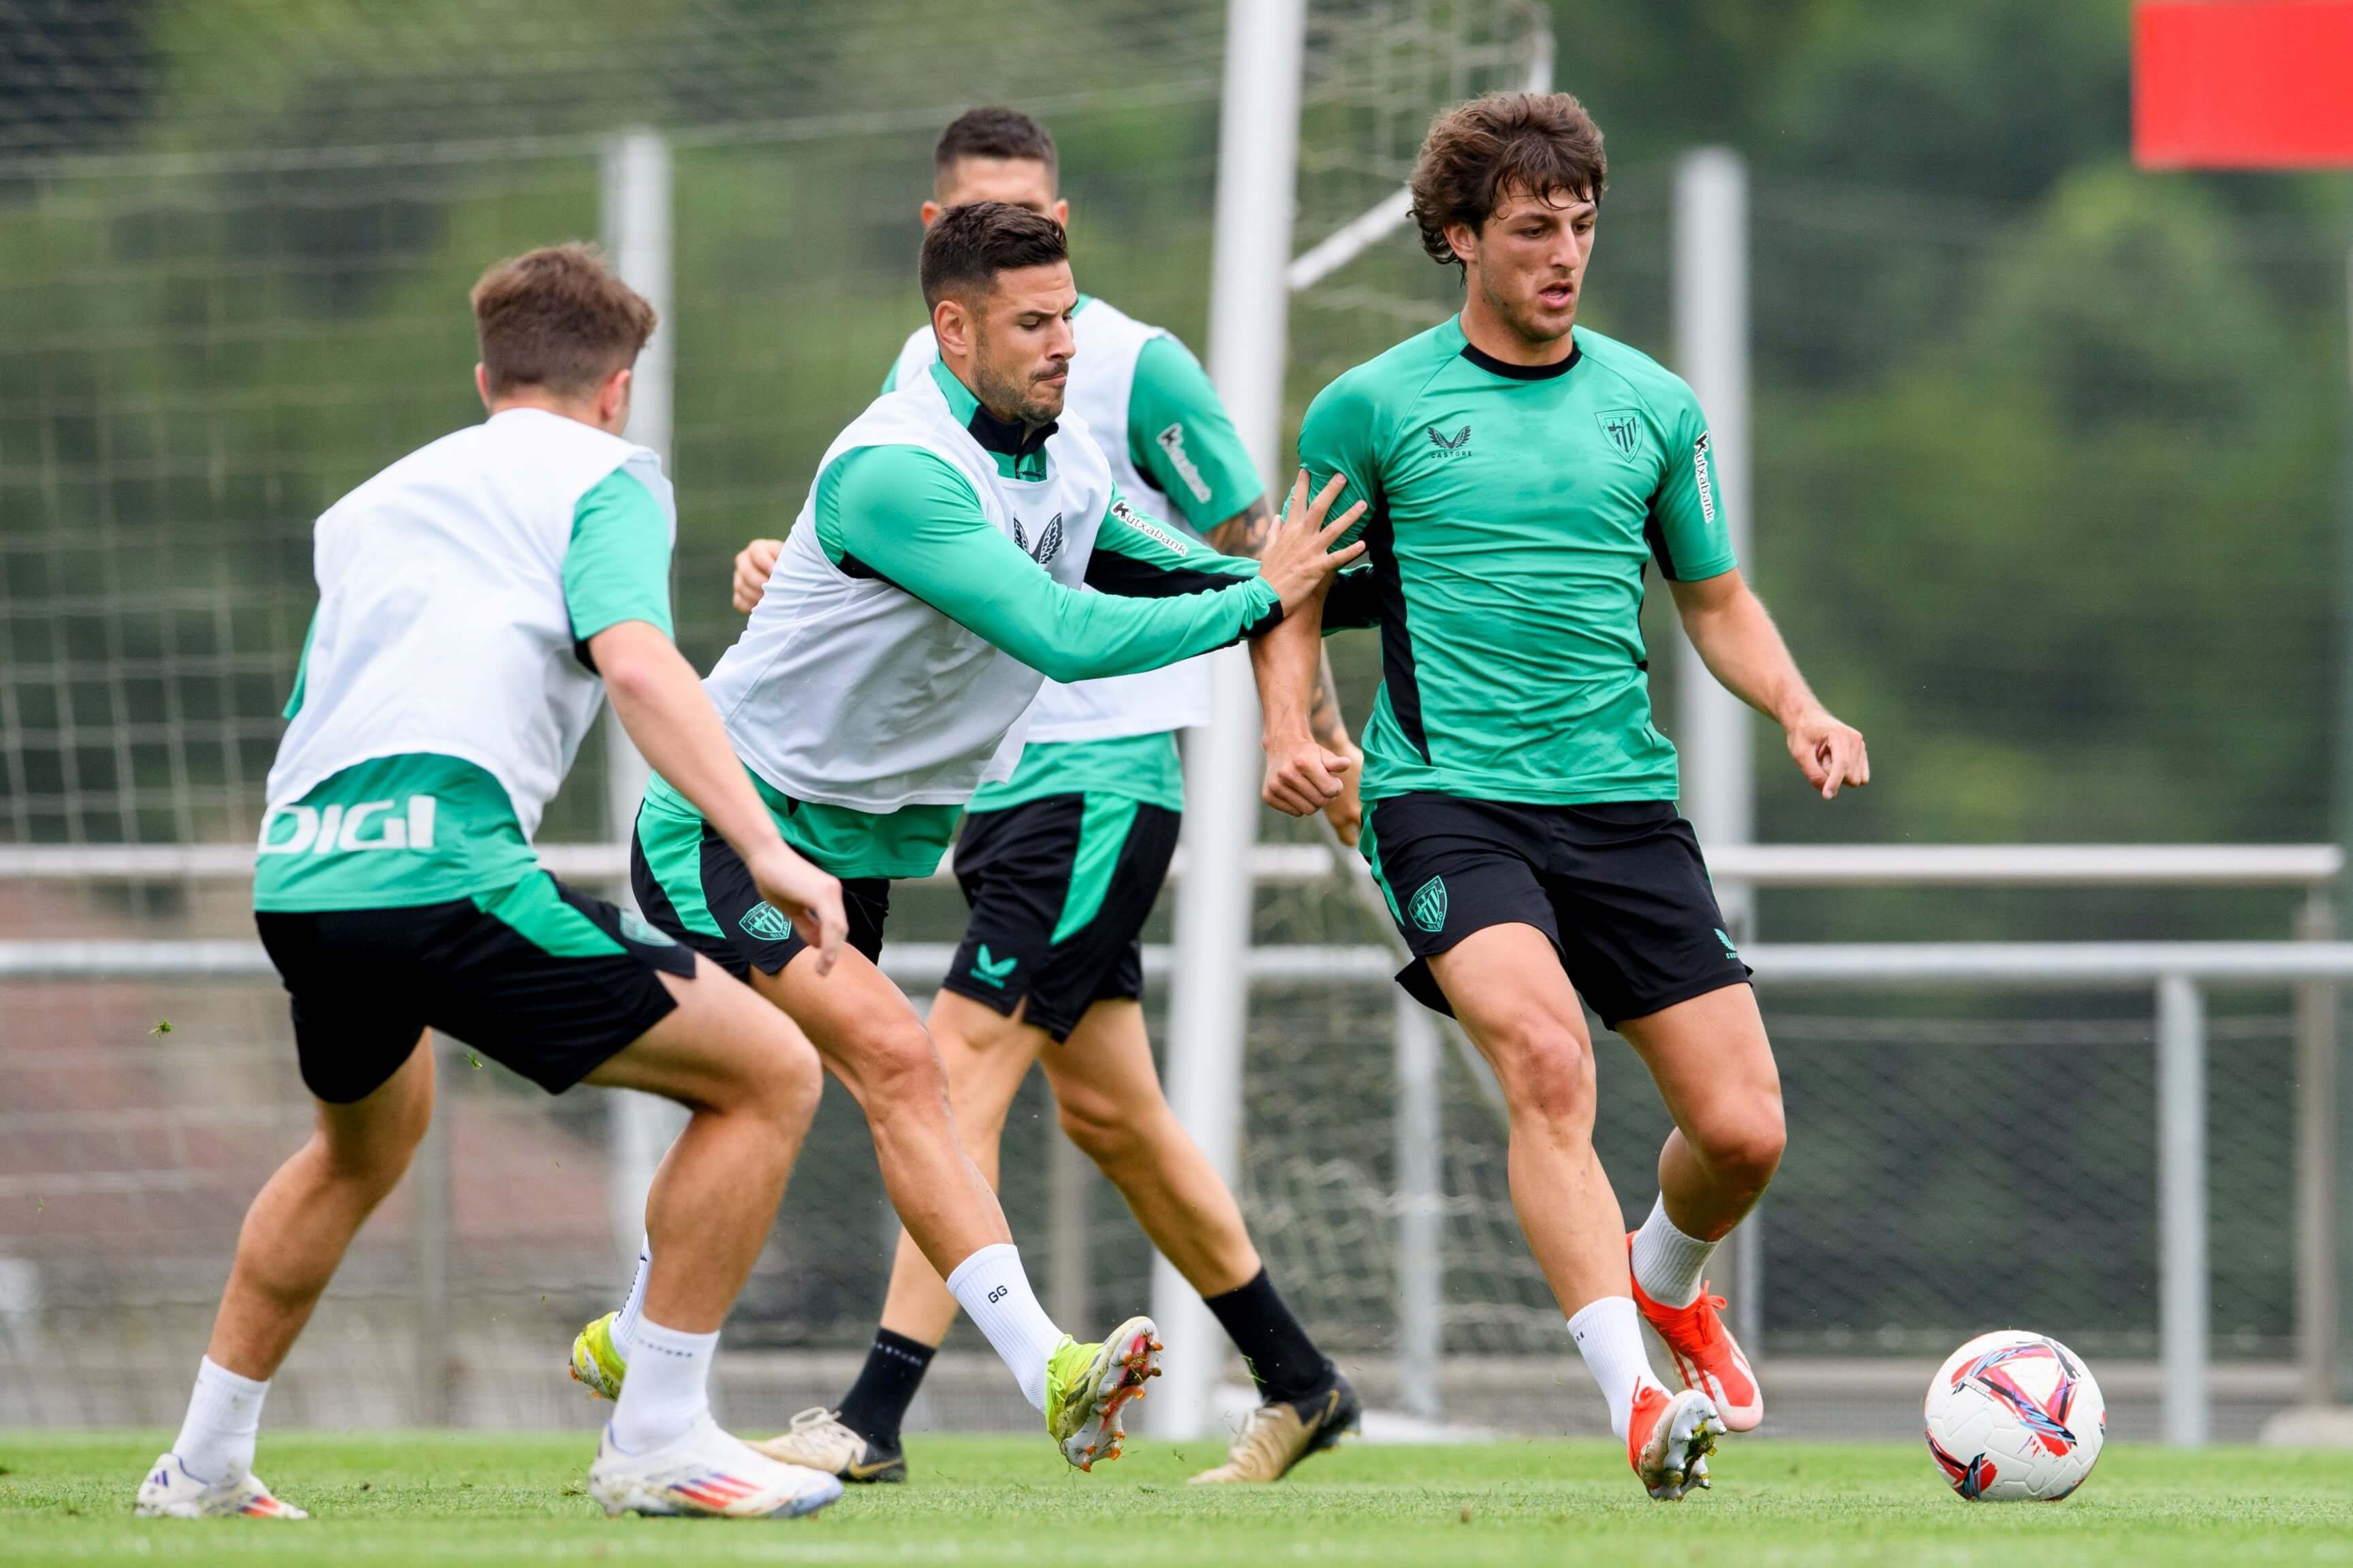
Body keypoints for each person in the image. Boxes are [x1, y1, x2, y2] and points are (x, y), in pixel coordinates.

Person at [568, 201, 1366, 1475]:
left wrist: (1334, 582)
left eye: (1070, 314)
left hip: (863, 850)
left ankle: (641, 1335)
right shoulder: (902, 468)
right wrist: (1263, 595)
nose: (1065, 343)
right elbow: (1059, 630)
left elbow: (1162, 571)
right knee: (905, 1064)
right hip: (732, 823)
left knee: (791, 1099)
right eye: (1034, 322)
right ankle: (1041, 1365)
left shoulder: (1060, 460)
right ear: (952, 325)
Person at [136, 245, 856, 1522]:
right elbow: (636, 664)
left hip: (304, 871)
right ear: (617, 390)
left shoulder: (367, 502)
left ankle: (200, 1464)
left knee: (361, 1145)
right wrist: (764, 843)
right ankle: (661, 1436)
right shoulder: (611, 476)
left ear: (485, 376)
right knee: (770, 1072)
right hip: (444, 869)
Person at [1260, 92, 1870, 1501]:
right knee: (1544, 1060)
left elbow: (1714, 601)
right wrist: (1290, 731)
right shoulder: (1372, 406)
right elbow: (1288, 592)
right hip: (1444, 801)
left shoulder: (1653, 407)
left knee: (1742, 1131)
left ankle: (1667, 1281)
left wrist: (1799, 704)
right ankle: (1636, 1403)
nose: (1563, 254)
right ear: (1458, 237)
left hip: (1618, 803)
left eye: (1581, 227)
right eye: (1532, 229)